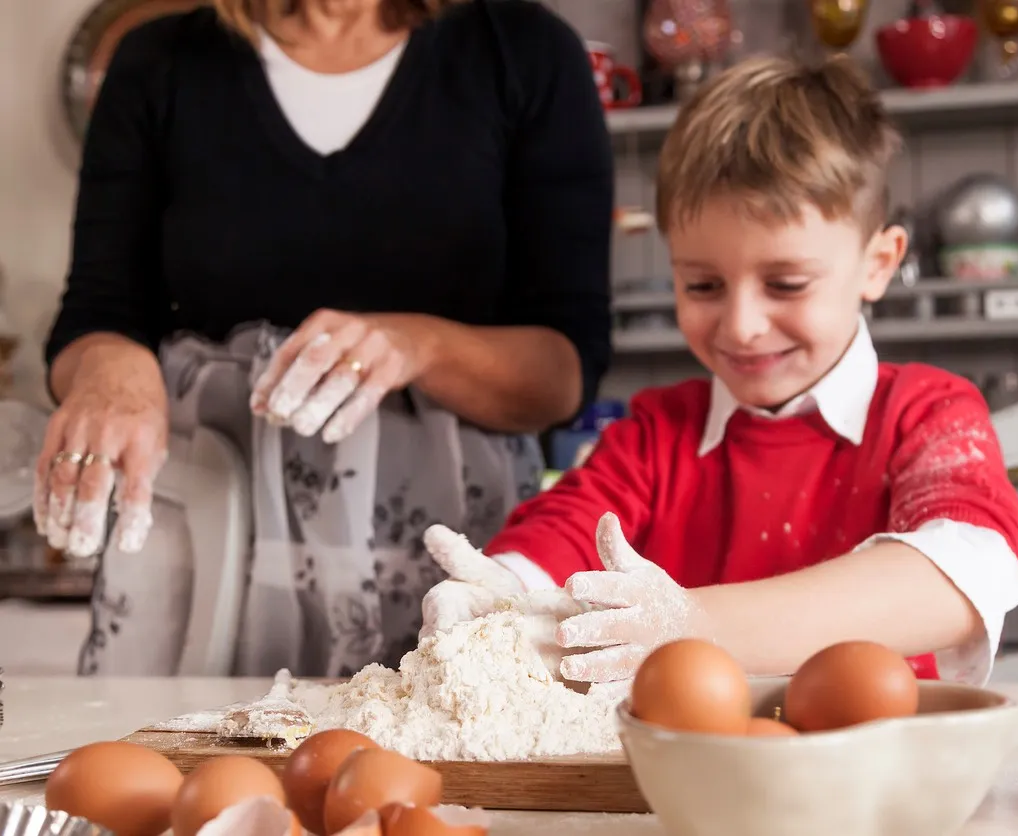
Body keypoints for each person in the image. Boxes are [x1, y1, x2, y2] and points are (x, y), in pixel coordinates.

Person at [420, 53, 1018, 687]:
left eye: (786, 283)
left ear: (879, 263)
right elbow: (564, 531)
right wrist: (508, 591)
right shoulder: (657, 434)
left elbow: (963, 572)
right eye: (704, 285)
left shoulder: (927, 414)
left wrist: (693, 624)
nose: (741, 326)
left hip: (886, 749)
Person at [34, 0, 613, 677]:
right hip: (202, 547)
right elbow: (96, 311)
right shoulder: (155, 61)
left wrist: (419, 345)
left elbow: (564, 373)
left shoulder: (523, 53)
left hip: (448, 549)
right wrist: (110, 370)